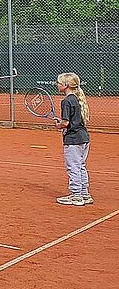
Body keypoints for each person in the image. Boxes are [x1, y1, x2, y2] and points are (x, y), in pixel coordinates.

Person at [54, 73, 92, 206]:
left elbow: (65, 123)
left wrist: (58, 125)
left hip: (73, 139)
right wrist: (62, 122)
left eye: (59, 83)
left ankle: (76, 196)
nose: (57, 85)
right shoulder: (77, 99)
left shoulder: (66, 101)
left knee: (73, 167)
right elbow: (71, 120)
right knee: (81, 166)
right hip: (83, 138)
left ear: (66, 85)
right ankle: (85, 194)